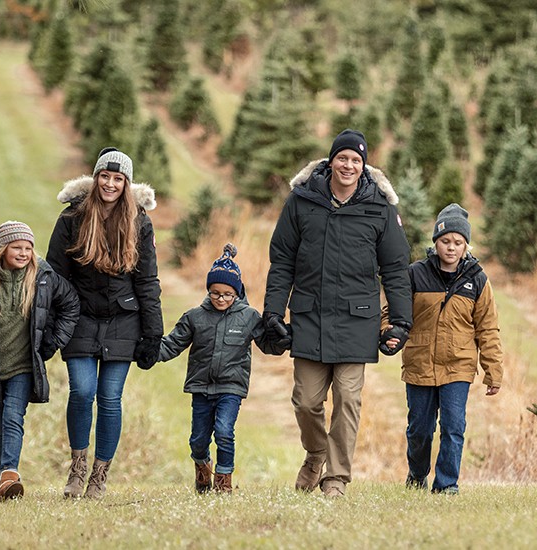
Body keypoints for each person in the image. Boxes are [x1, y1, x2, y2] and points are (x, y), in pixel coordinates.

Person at [263, 129, 413, 498]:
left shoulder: (379, 208)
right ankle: (316, 455)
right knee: (307, 401)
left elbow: (395, 268)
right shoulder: (301, 202)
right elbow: (282, 261)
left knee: (348, 400)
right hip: (310, 317)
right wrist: (272, 313)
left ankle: (336, 479)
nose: (348, 165)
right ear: (331, 162)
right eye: (342, 158)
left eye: (356, 160)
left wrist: (400, 320)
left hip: (356, 320)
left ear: (364, 167)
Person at [46, 147, 163, 499]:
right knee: (82, 392)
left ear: (126, 184)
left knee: (110, 398)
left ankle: (100, 475)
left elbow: (147, 280)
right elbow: (54, 275)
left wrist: (153, 333)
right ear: (95, 178)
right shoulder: (72, 219)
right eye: (105, 176)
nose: (110, 184)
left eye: (118, 178)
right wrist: (52, 321)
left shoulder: (139, 221)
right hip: (79, 317)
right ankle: (77, 468)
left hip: (124, 320)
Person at [381, 203, 503, 495]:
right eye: (445, 241)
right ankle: (417, 474)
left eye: (458, 243)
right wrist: (388, 333)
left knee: (453, 426)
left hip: (458, 366)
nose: (451, 248)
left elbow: (488, 328)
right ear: (435, 242)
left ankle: (447, 485)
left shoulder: (477, 280)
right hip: (420, 364)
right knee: (420, 430)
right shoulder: (415, 274)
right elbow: (392, 312)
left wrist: (493, 371)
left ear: (465, 246)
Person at [0, 220, 80, 501]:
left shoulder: (44, 277)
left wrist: (51, 343)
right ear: (3, 249)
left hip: (24, 366)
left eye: (28, 247)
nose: (24, 253)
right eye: (17, 247)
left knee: (14, 417)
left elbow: (71, 304)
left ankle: (9, 474)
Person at [156, 244, 289, 494]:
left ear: (237, 293)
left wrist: (282, 340)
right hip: (201, 386)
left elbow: (268, 346)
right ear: (208, 291)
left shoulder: (249, 317)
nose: (221, 299)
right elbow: (172, 344)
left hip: (231, 386)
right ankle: (202, 465)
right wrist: (150, 352)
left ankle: (223, 480)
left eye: (227, 294)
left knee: (225, 431)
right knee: (197, 440)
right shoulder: (195, 317)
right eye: (216, 293)